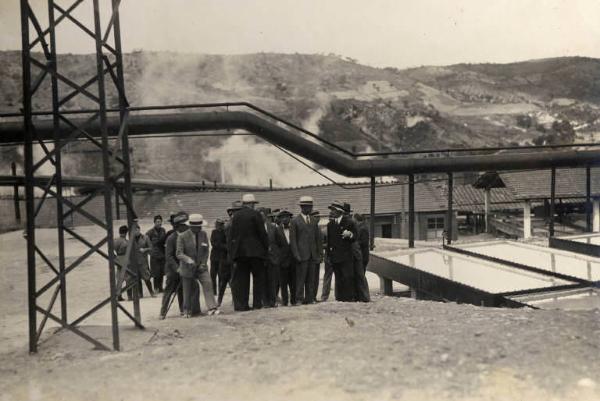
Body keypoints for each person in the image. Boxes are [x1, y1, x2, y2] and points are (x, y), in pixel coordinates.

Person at [228, 194, 269, 311]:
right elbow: (262, 234)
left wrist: (232, 254)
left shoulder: (235, 216)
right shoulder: (256, 215)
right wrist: (266, 248)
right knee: (258, 278)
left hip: (240, 253)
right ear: (251, 204)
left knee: (242, 279)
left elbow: (231, 236)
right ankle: (257, 304)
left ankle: (242, 305)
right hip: (256, 252)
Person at [177, 213, 220, 317]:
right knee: (187, 290)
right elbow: (179, 253)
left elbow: (206, 250)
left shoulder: (203, 234)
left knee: (208, 283)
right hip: (188, 267)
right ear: (190, 226)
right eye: (196, 227)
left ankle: (212, 307)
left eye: (200, 226)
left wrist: (204, 263)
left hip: (201, 266)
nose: (199, 228)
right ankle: (186, 310)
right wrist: (188, 260)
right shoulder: (182, 236)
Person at [289, 196, 322, 305]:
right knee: (300, 279)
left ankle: (310, 298)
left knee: (311, 279)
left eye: (310, 207)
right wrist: (296, 254)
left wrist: (319, 254)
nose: (309, 209)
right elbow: (293, 240)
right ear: (302, 207)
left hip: (312, 255)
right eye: (307, 207)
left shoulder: (313, 220)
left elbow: (318, 239)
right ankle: (299, 299)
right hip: (301, 255)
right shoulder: (295, 221)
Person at [326, 200, 357, 302]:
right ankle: (339, 298)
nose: (331, 212)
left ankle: (349, 298)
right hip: (335, 256)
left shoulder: (349, 222)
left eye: (333, 210)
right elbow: (329, 241)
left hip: (346, 256)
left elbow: (355, 237)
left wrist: (350, 235)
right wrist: (329, 256)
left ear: (339, 211)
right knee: (338, 277)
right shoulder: (330, 224)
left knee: (347, 276)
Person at [159, 213, 185, 319]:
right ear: (178, 226)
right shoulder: (171, 238)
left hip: (182, 268)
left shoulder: (186, 236)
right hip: (172, 269)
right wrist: (177, 268)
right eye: (183, 225)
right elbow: (168, 256)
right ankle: (163, 311)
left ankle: (182, 309)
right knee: (169, 290)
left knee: (181, 290)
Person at [219, 201, 242, 306]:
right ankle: (234, 300)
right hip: (232, 255)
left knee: (236, 278)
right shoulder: (230, 225)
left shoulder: (234, 223)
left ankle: (235, 300)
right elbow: (230, 242)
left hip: (235, 254)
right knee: (232, 278)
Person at [274, 209, 296, 306]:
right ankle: (285, 301)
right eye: (283, 217)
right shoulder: (277, 230)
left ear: (290, 218)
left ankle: (294, 300)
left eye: (287, 217)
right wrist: (279, 257)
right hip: (282, 261)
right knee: (283, 283)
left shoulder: (294, 229)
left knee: (293, 282)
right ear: (280, 219)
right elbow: (275, 245)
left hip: (293, 259)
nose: (285, 219)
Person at [259, 207, 279, 307]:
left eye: (263, 215)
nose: (261, 217)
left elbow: (279, 242)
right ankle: (265, 301)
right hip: (261, 258)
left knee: (272, 280)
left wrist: (276, 253)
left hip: (272, 258)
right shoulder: (256, 228)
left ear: (266, 216)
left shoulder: (273, 227)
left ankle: (272, 301)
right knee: (263, 281)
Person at [129, 222, 155, 298]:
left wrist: (145, 249)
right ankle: (140, 294)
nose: (136, 232)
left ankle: (151, 292)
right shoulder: (131, 239)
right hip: (135, 262)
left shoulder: (145, 237)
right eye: (134, 231)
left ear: (139, 230)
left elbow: (151, 248)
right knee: (137, 279)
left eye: (137, 230)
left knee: (147, 278)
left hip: (143, 261)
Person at [350, 209, 370, 302]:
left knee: (361, 276)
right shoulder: (361, 228)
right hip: (360, 255)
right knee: (360, 276)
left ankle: (365, 296)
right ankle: (360, 296)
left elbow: (364, 242)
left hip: (362, 256)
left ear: (357, 220)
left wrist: (354, 241)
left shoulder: (363, 229)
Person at [146, 215, 167, 293]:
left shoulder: (163, 230)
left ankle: (160, 287)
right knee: (155, 272)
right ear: (154, 222)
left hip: (162, 254)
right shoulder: (150, 232)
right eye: (157, 221)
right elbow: (145, 241)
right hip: (154, 256)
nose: (159, 223)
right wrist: (150, 252)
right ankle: (156, 288)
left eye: (160, 221)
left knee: (162, 272)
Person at [320, 211, 335, 302]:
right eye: (331, 218)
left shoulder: (338, 228)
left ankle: (338, 295)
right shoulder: (324, 231)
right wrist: (329, 245)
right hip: (329, 256)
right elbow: (321, 244)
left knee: (337, 276)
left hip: (335, 256)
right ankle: (324, 296)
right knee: (327, 277)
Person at [310, 210, 324, 302]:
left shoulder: (318, 228)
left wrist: (320, 255)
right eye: (316, 217)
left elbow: (320, 243)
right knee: (310, 278)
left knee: (315, 279)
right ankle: (310, 297)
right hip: (310, 257)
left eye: (319, 217)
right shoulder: (310, 228)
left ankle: (313, 296)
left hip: (317, 257)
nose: (318, 218)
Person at [210, 218, 226, 295]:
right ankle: (213, 290)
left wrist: (219, 245)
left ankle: (220, 290)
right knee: (213, 274)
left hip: (222, 256)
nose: (218, 226)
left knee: (221, 274)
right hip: (214, 256)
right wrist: (221, 245)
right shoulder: (214, 232)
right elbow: (213, 243)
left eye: (220, 225)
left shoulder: (225, 232)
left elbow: (226, 244)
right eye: (217, 225)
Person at [113, 225, 129, 301]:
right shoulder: (125, 241)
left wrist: (115, 258)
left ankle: (118, 295)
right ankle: (129, 295)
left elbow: (110, 250)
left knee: (119, 279)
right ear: (126, 233)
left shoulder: (115, 240)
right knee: (128, 278)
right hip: (125, 259)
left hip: (118, 259)